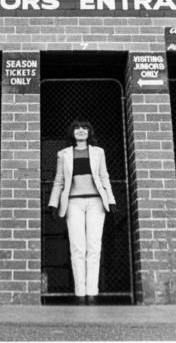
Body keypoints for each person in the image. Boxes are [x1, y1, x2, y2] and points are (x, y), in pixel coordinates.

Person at [47, 120, 117, 305]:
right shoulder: (63, 154)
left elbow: (104, 177)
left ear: (89, 132)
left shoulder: (98, 152)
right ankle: (80, 292)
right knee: (77, 248)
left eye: (84, 127)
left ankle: (92, 292)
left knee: (94, 247)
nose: (80, 130)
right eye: (77, 128)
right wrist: (53, 203)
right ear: (72, 132)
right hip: (73, 204)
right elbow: (59, 180)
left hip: (96, 202)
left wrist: (111, 200)